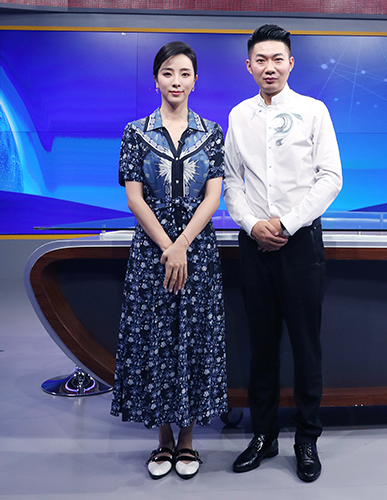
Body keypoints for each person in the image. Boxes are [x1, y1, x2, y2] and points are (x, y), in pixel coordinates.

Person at [223, 24, 343, 483]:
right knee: (262, 345)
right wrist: (253, 225)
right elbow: (230, 180)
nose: (269, 67)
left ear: (291, 63)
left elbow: (330, 177)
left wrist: (286, 224)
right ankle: (264, 435)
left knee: (306, 346)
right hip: (254, 245)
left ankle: (307, 439)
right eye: (261, 60)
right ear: (249, 66)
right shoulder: (238, 116)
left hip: (301, 244)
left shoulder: (314, 111)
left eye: (277, 59)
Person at [110, 41, 227, 481]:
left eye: (184, 73)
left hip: (197, 251)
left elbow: (213, 196)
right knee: (156, 338)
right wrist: (168, 246)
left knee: (194, 339)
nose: (176, 81)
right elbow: (134, 198)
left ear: (195, 81)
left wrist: (184, 244)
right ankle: (162, 438)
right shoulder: (135, 132)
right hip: (151, 252)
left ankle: (189, 439)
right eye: (167, 73)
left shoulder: (211, 132)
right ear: (155, 79)